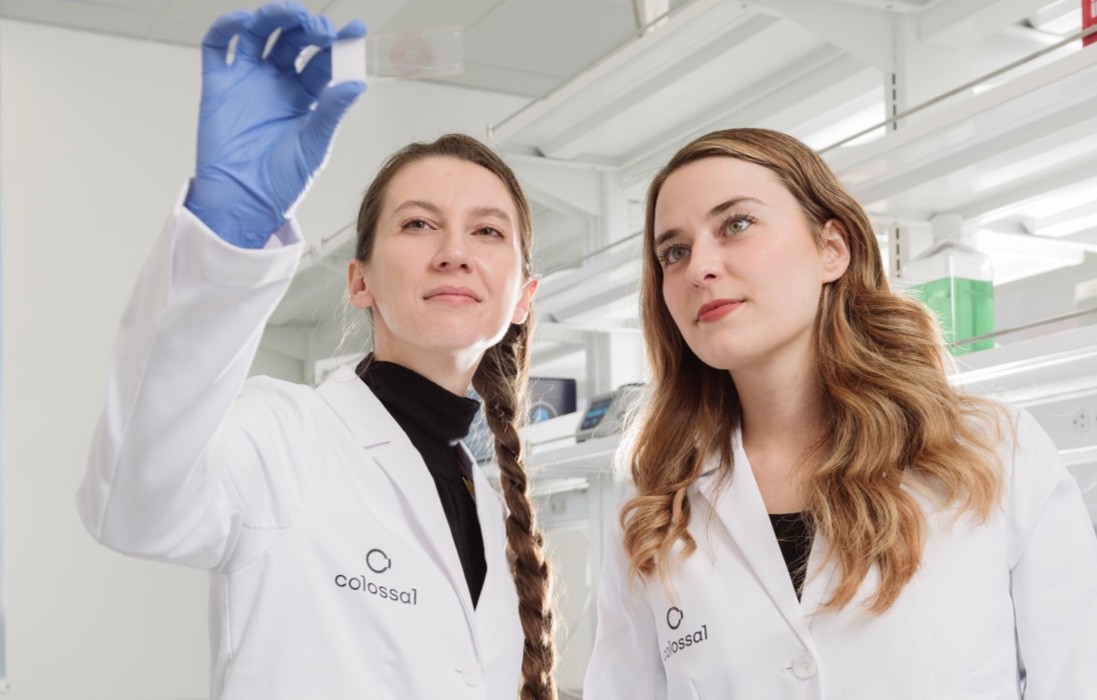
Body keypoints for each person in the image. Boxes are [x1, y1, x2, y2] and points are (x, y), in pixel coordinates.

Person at [76, 3, 555, 699]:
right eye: (418, 224)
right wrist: (227, 230)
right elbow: (132, 505)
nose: (454, 253)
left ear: (521, 298)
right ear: (358, 280)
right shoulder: (283, 438)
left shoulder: (487, 502)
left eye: (487, 232)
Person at [582, 127, 1097, 699]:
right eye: (673, 252)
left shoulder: (993, 450)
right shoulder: (653, 506)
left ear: (832, 248)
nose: (699, 266)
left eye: (736, 224)